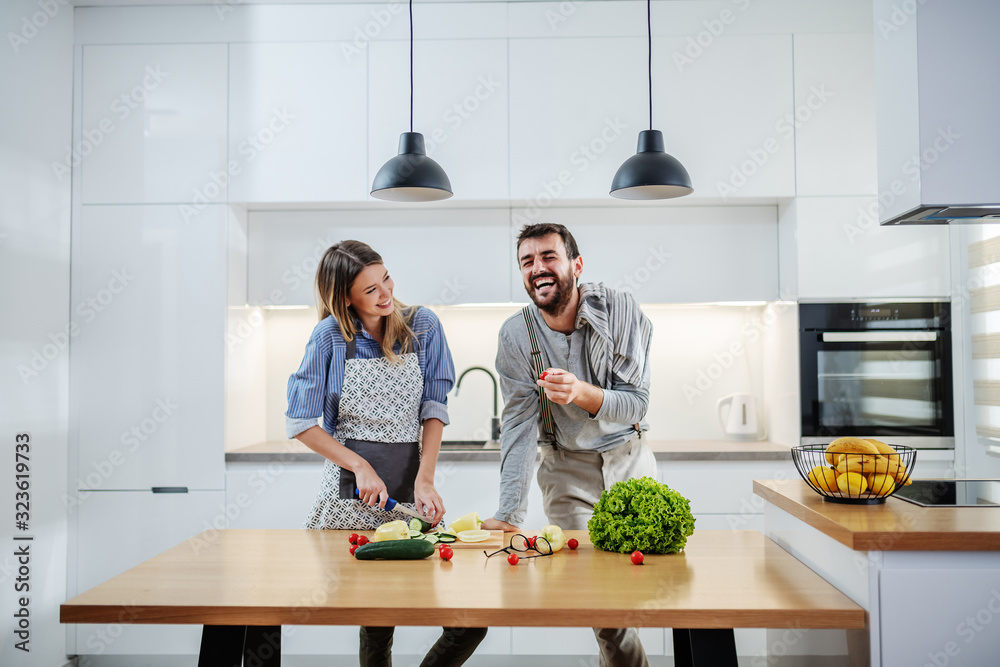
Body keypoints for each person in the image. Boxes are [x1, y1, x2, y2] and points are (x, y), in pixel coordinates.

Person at [285, 240, 487, 667]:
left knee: (469, 620)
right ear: (345, 298)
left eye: (386, 279)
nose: (386, 294)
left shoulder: (423, 327)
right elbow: (300, 422)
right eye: (370, 289)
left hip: (408, 488)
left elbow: (434, 408)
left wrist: (426, 478)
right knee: (377, 617)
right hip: (349, 499)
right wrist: (359, 466)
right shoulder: (330, 338)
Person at [482, 223, 656, 667]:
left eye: (548, 257)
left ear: (576, 265)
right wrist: (508, 513)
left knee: (640, 587)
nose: (538, 268)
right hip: (565, 468)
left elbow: (635, 405)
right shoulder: (516, 336)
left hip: (629, 459)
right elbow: (518, 423)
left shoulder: (619, 311)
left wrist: (580, 392)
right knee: (604, 601)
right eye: (527, 261)